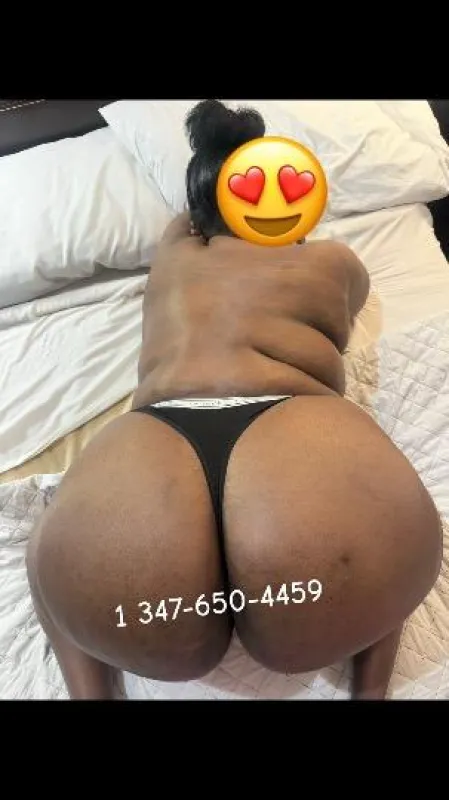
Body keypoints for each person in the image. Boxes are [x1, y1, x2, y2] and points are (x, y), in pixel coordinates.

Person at [27, 100, 442, 701]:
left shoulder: (174, 251)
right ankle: (369, 691)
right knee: (394, 535)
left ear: (200, 209)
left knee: (47, 554)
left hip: (152, 442)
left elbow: (192, 215)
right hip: (300, 424)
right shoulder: (334, 263)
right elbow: (343, 306)